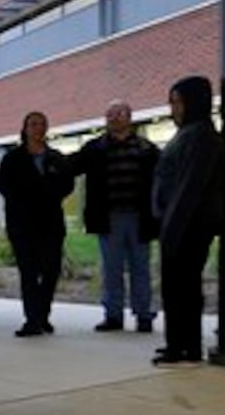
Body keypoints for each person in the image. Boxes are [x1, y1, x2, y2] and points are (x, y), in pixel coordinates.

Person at [68, 101, 160, 333]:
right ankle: (113, 315)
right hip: (109, 218)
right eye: (109, 115)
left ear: (130, 118)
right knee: (111, 269)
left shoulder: (146, 149)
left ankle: (143, 315)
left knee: (141, 268)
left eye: (119, 114)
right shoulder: (95, 148)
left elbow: (164, 178)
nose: (113, 118)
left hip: (140, 218)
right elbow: (70, 166)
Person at [152, 75, 223, 367]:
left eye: (177, 101)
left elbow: (190, 186)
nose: (173, 108)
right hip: (182, 222)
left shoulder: (200, 136)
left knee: (180, 287)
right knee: (184, 286)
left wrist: (172, 227)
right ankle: (185, 345)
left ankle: (180, 347)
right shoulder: (192, 133)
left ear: (193, 102)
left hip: (186, 225)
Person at [0, 112, 73, 338]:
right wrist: (32, 194)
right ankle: (32, 319)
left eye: (42, 124)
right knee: (28, 273)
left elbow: (66, 185)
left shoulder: (56, 158)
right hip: (23, 225)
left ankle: (42, 315)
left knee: (50, 272)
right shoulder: (13, 158)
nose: (37, 128)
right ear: (25, 128)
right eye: (33, 124)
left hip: (51, 225)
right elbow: (4, 186)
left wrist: (46, 192)